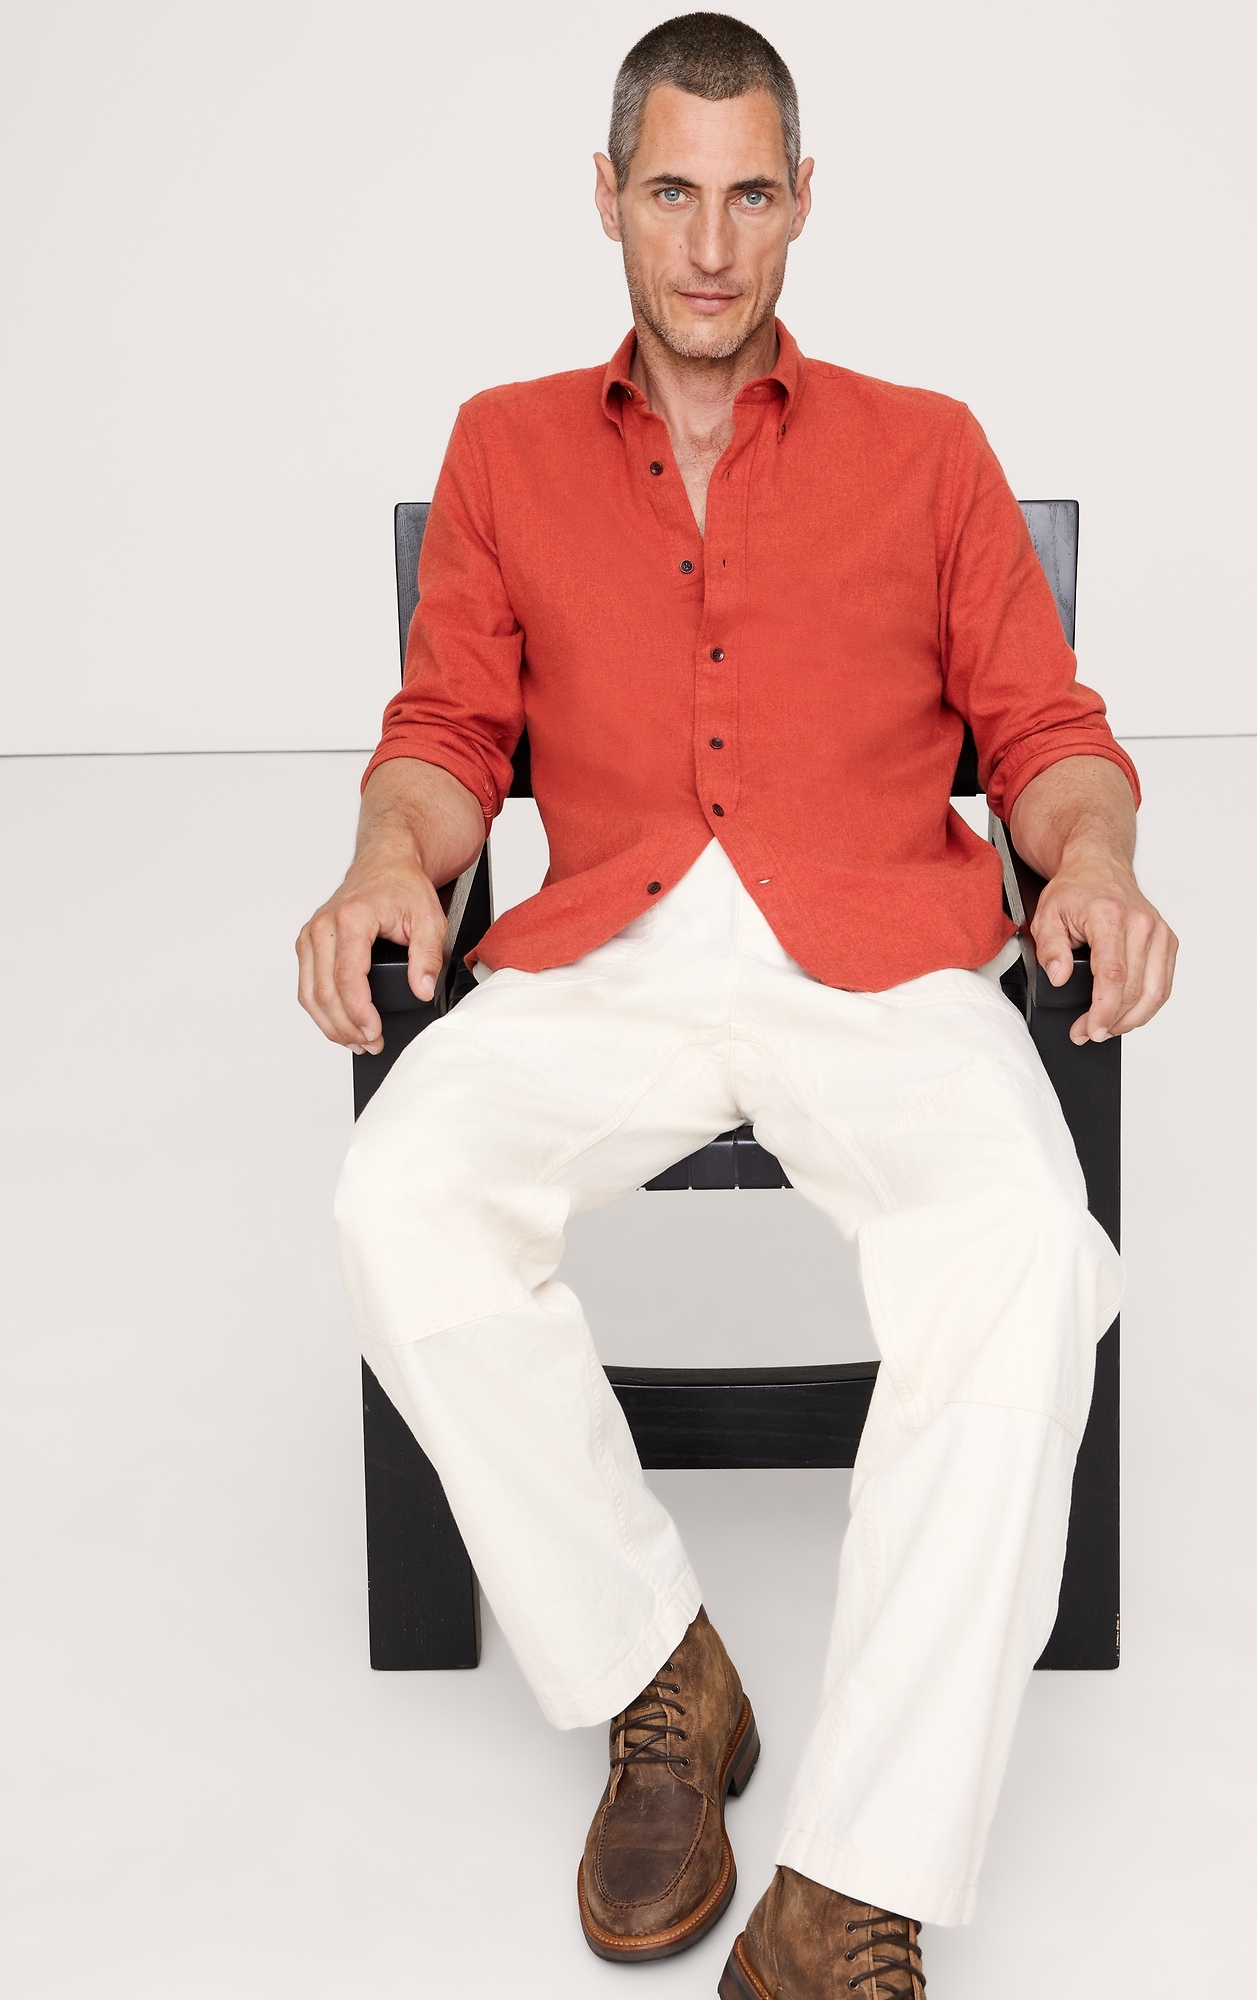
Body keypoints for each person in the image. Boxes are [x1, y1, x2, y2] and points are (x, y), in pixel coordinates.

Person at [297, 14, 1176, 1996]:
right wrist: (384, 857)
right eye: (673, 193)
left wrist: (1097, 863)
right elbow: (447, 732)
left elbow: (1049, 733)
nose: (710, 245)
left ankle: (851, 1877)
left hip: (884, 955)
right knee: (400, 1197)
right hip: (607, 946)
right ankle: (656, 1673)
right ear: (608, 198)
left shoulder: (927, 448)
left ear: (803, 204)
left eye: (751, 194)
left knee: (1025, 1249)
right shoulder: (506, 445)